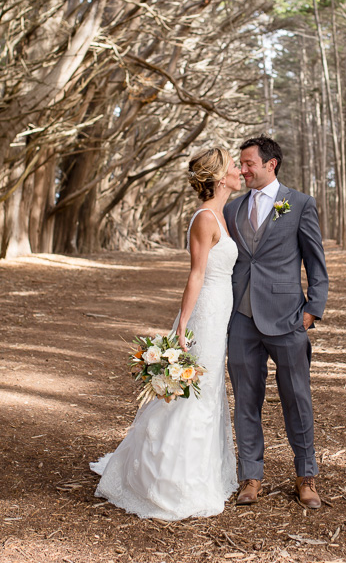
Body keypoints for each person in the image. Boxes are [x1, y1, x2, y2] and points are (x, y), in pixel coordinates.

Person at [90, 147, 242, 520]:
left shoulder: (222, 215)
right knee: (194, 391)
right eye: (234, 166)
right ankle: (168, 481)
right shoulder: (205, 218)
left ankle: (202, 471)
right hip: (204, 313)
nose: (240, 170)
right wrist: (183, 326)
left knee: (208, 391)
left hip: (221, 311)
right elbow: (196, 275)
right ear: (221, 177)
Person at [224, 135, 329, 509]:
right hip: (241, 319)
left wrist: (312, 310)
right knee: (245, 401)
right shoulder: (232, 210)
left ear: (271, 164)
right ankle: (251, 476)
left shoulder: (299, 204)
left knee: (297, 400)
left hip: (287, 319)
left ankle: (306, 476)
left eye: (249, 163)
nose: (243, 169)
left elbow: (316, 263)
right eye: (241, 163)